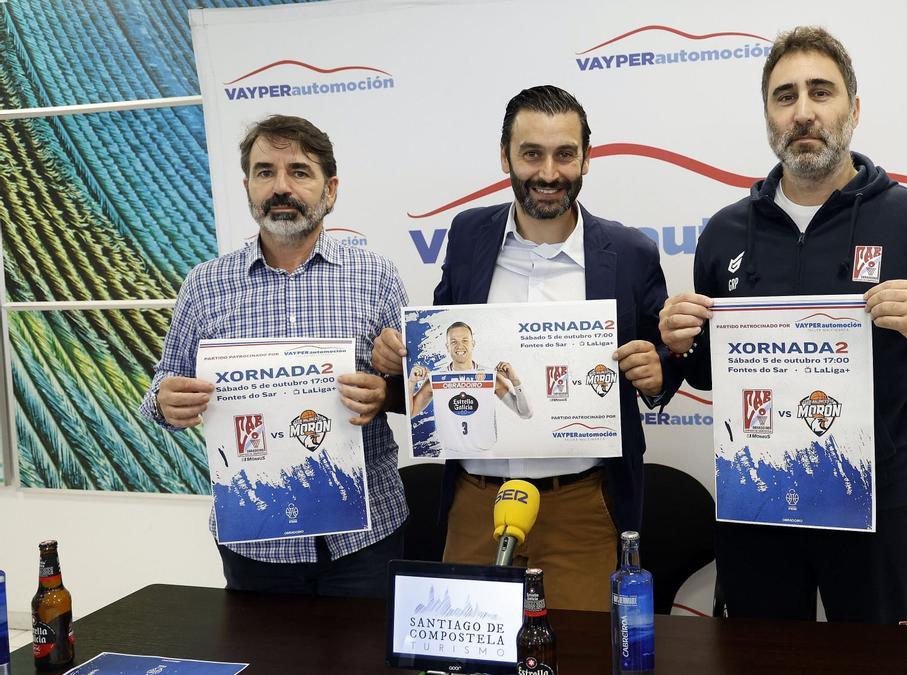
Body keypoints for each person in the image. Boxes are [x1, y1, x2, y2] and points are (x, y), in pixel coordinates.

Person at [659, 27, 907, 624]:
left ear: (854, 108)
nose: (803, 112)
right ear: (768, 115)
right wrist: (682, 345)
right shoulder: (724, 232)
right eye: (785, 96)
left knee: (880, 665)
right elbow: (713, 375)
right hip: (758, 501)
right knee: (759, 663)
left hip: (878, 507)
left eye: (820, 92)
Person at [373, 85, 679, 611]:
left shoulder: (630, 252)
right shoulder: (468, 235)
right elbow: (442, 350)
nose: (548, 173)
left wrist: (658, 373)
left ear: (586, 158)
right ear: (505, 157)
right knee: (469, 647)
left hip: (582, 505)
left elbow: (663, 359)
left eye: (565, 154)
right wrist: (399, 363)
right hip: (477, 501)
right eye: (532, 153)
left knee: (582, 648)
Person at [140, 114, 409, 598]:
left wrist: (386, 391)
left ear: (330, 190)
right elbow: (160, 389)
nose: (281, 186)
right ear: (247, 186)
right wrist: (165, 401)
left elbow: (418, 392)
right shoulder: (205, 285)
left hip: (365, 539)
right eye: (265, 172)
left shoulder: (376, 277)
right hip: (256, 540)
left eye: (299, 172)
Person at [407, 321, 533, 454]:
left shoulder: (490, 376)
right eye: (453, 341)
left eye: (465, 340)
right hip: (451, 454)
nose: (459, 346)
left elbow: (526, 414)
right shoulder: (436, 379)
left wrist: (515, 380)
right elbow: (411, 412)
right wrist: (411, 383)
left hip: (485, 454)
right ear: (447, 347)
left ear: (473, 344)